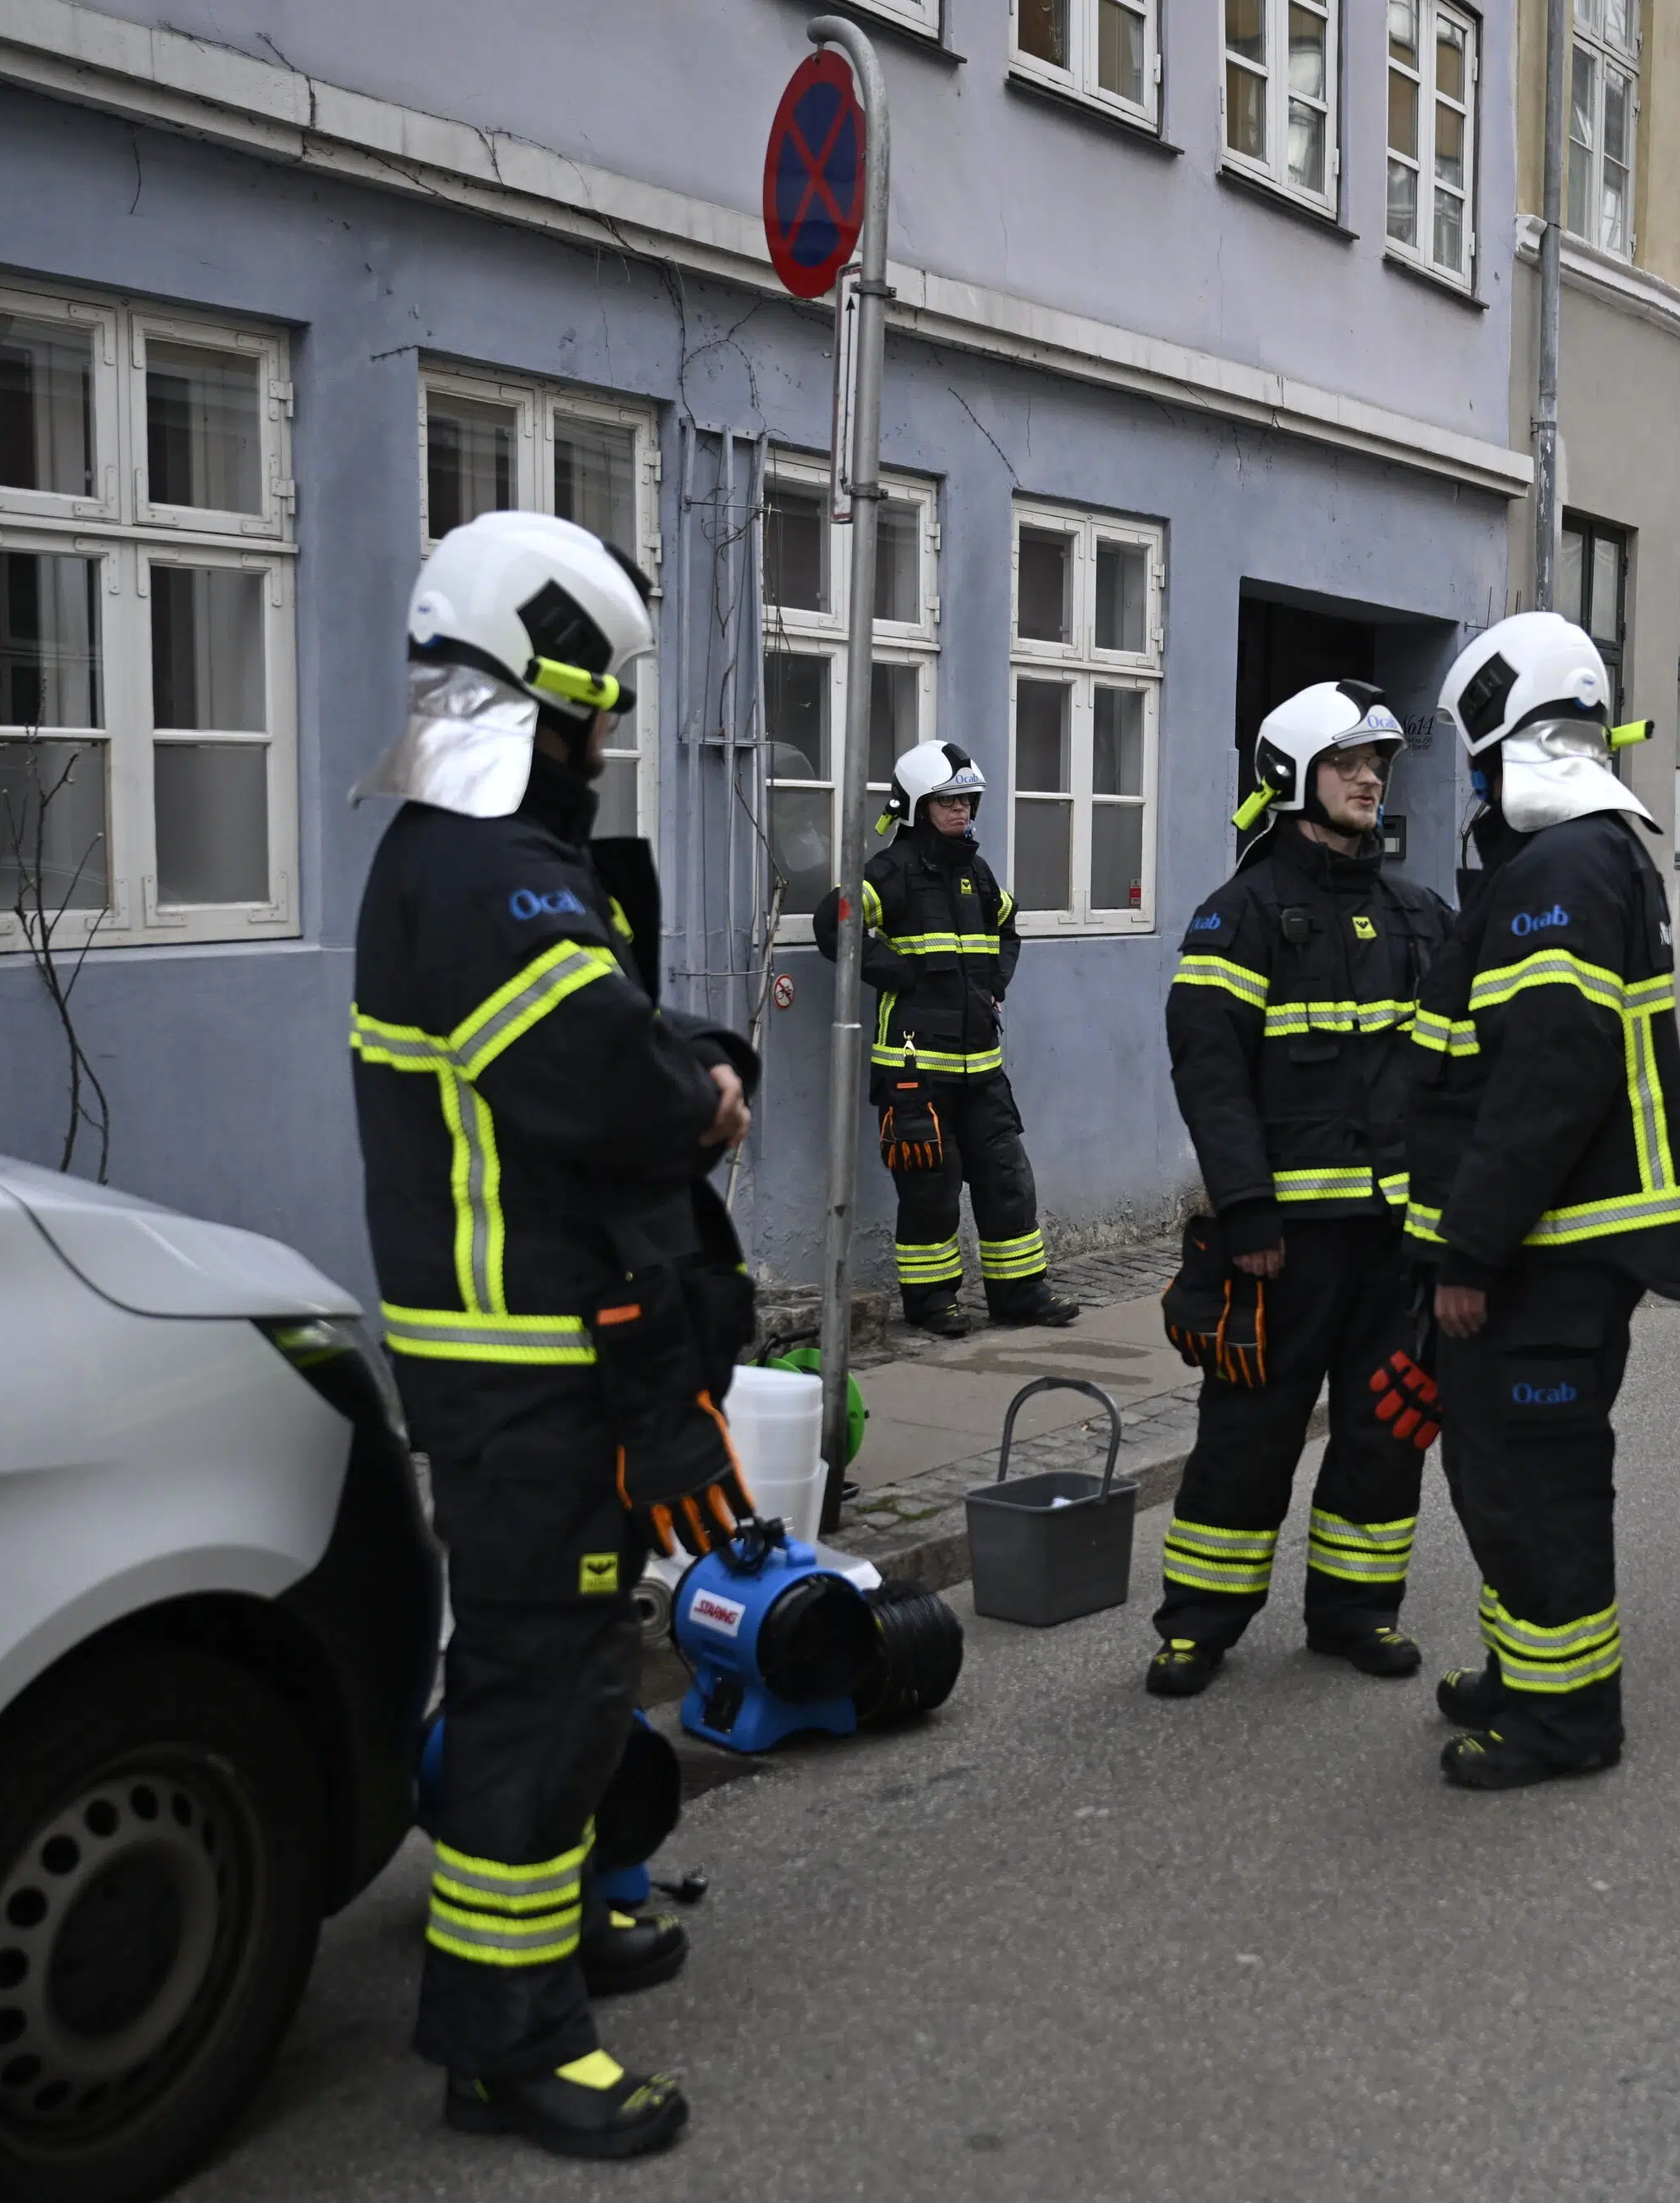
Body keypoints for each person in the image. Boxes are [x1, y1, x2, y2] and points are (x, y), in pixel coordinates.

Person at [352, 511, 764, 2159]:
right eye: (594, 711)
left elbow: (607, 1038)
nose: (601, 743)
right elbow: (610, 1086)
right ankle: (504, 2037)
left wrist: (679, 1064)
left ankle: (546, 1940)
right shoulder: (488, 875)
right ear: (538, 692)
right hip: (524, 1369)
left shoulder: (467, 866)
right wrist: (708, 1093)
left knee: (567, 1669)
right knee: (543, 1682)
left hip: (522, 1358)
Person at [1409, 613, 1680, 1790]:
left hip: (1546, 1258)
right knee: (1501, 1470)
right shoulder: (1582, 858)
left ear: (1506, 736)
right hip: (1550, 1251)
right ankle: (1532, 1673)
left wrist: (1471, 1251)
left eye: (1474, 751)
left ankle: (1567, 1721)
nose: (1469, 776)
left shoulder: (1563, 870)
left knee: (1535, 1482)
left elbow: (1548, 1081)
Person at [1149, 682, 1453, 1697]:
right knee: (1246, 1437)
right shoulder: (1233, 918)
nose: (1371, 778)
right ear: (1292, 776)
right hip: (1283, 1243)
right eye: (1348, 763)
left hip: (1394, 1241)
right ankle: (1198, 1624)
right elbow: (1210, 1075)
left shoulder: (1421, 917)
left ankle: (1356, 1612)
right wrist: (1244, 1210)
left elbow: (1462, 1067)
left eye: (1379, 763)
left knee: (1384, 1431)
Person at [820, 740, 1079, 1336]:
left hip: (982, 1068)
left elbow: (1008, 924)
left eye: (967, 801)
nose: (961, 812)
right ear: (916, 806)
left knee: (1007, 1181)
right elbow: (835, 923)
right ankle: (932, 1304)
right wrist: (899, 974)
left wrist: (995, 982)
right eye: (947, 802)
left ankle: (1020, 1296)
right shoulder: (890, 873)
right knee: (930, 1192)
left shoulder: (976, 874)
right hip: (914, 1072)